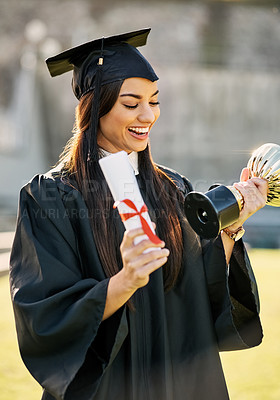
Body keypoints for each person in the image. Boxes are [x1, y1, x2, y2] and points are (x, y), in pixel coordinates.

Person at [9, 28, 268, 400]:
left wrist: (229, 230)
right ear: (95, 107)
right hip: (108, 384)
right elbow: (47, 313)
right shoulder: (51, 196)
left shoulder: (173, 188)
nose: (148, 115)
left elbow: (197, 294)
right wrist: (126, 280)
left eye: (154, 101)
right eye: (131, 104)